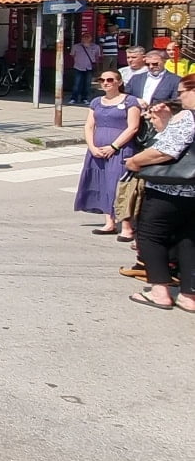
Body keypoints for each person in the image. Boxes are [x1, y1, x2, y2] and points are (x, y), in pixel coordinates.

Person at [125, 74, 195, 310]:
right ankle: (189, 295)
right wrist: (166, 123)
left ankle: (159, 291)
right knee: (188, 240)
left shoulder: (188, 116)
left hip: (169, 189)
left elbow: (166, 151)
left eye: (182, 92)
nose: (179, 97)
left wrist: (135, 161)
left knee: (150, 236)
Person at [73, 71, 142, 239]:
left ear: (119, 82)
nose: (105, 82)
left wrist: (114, 146)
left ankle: (126, 226)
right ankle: (109, 222)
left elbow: (133, 127)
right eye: (102, 79)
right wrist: (92, 146)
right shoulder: (96, 102)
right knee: (102, 184)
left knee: (119, 186)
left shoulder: (129, 101)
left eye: (110, 79)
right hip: (97, 150)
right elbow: (89, 126)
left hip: (121, 149)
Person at [69, 32, 101, 104]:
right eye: (84, 37)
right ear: (82, 38)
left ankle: (84, 98)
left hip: (89, 68)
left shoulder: (96, 47)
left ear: (91, 38)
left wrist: (97, 68)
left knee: (87, 84)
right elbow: (72, 55)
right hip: (78, 67)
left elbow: (97, 58)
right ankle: (74, 98)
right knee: (77, 84)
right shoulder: (76, 46)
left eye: (88, 37)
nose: (86, 38)